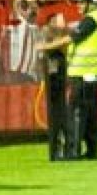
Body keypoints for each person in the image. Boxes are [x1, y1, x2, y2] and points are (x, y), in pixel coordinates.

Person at [65, 0, 97, 160]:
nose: (78, 5)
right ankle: (92, 150)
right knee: (91, 112)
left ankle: (73, 151)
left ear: (91, 3)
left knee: (77, 110)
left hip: (83, 72)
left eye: (81, 2)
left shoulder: (91, 20)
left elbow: (72, 38)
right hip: (94, 72)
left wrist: (46, 46)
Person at [34, 10, 74, 160]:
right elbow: (41, 47)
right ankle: (57, 149)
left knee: (60, 112)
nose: (64, 22)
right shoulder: (47, 32)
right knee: (56, 113)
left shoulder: (64, 33)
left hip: (59, 76)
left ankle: (62, 148)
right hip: (54, 77)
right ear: (52, 22)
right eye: (60, 19)